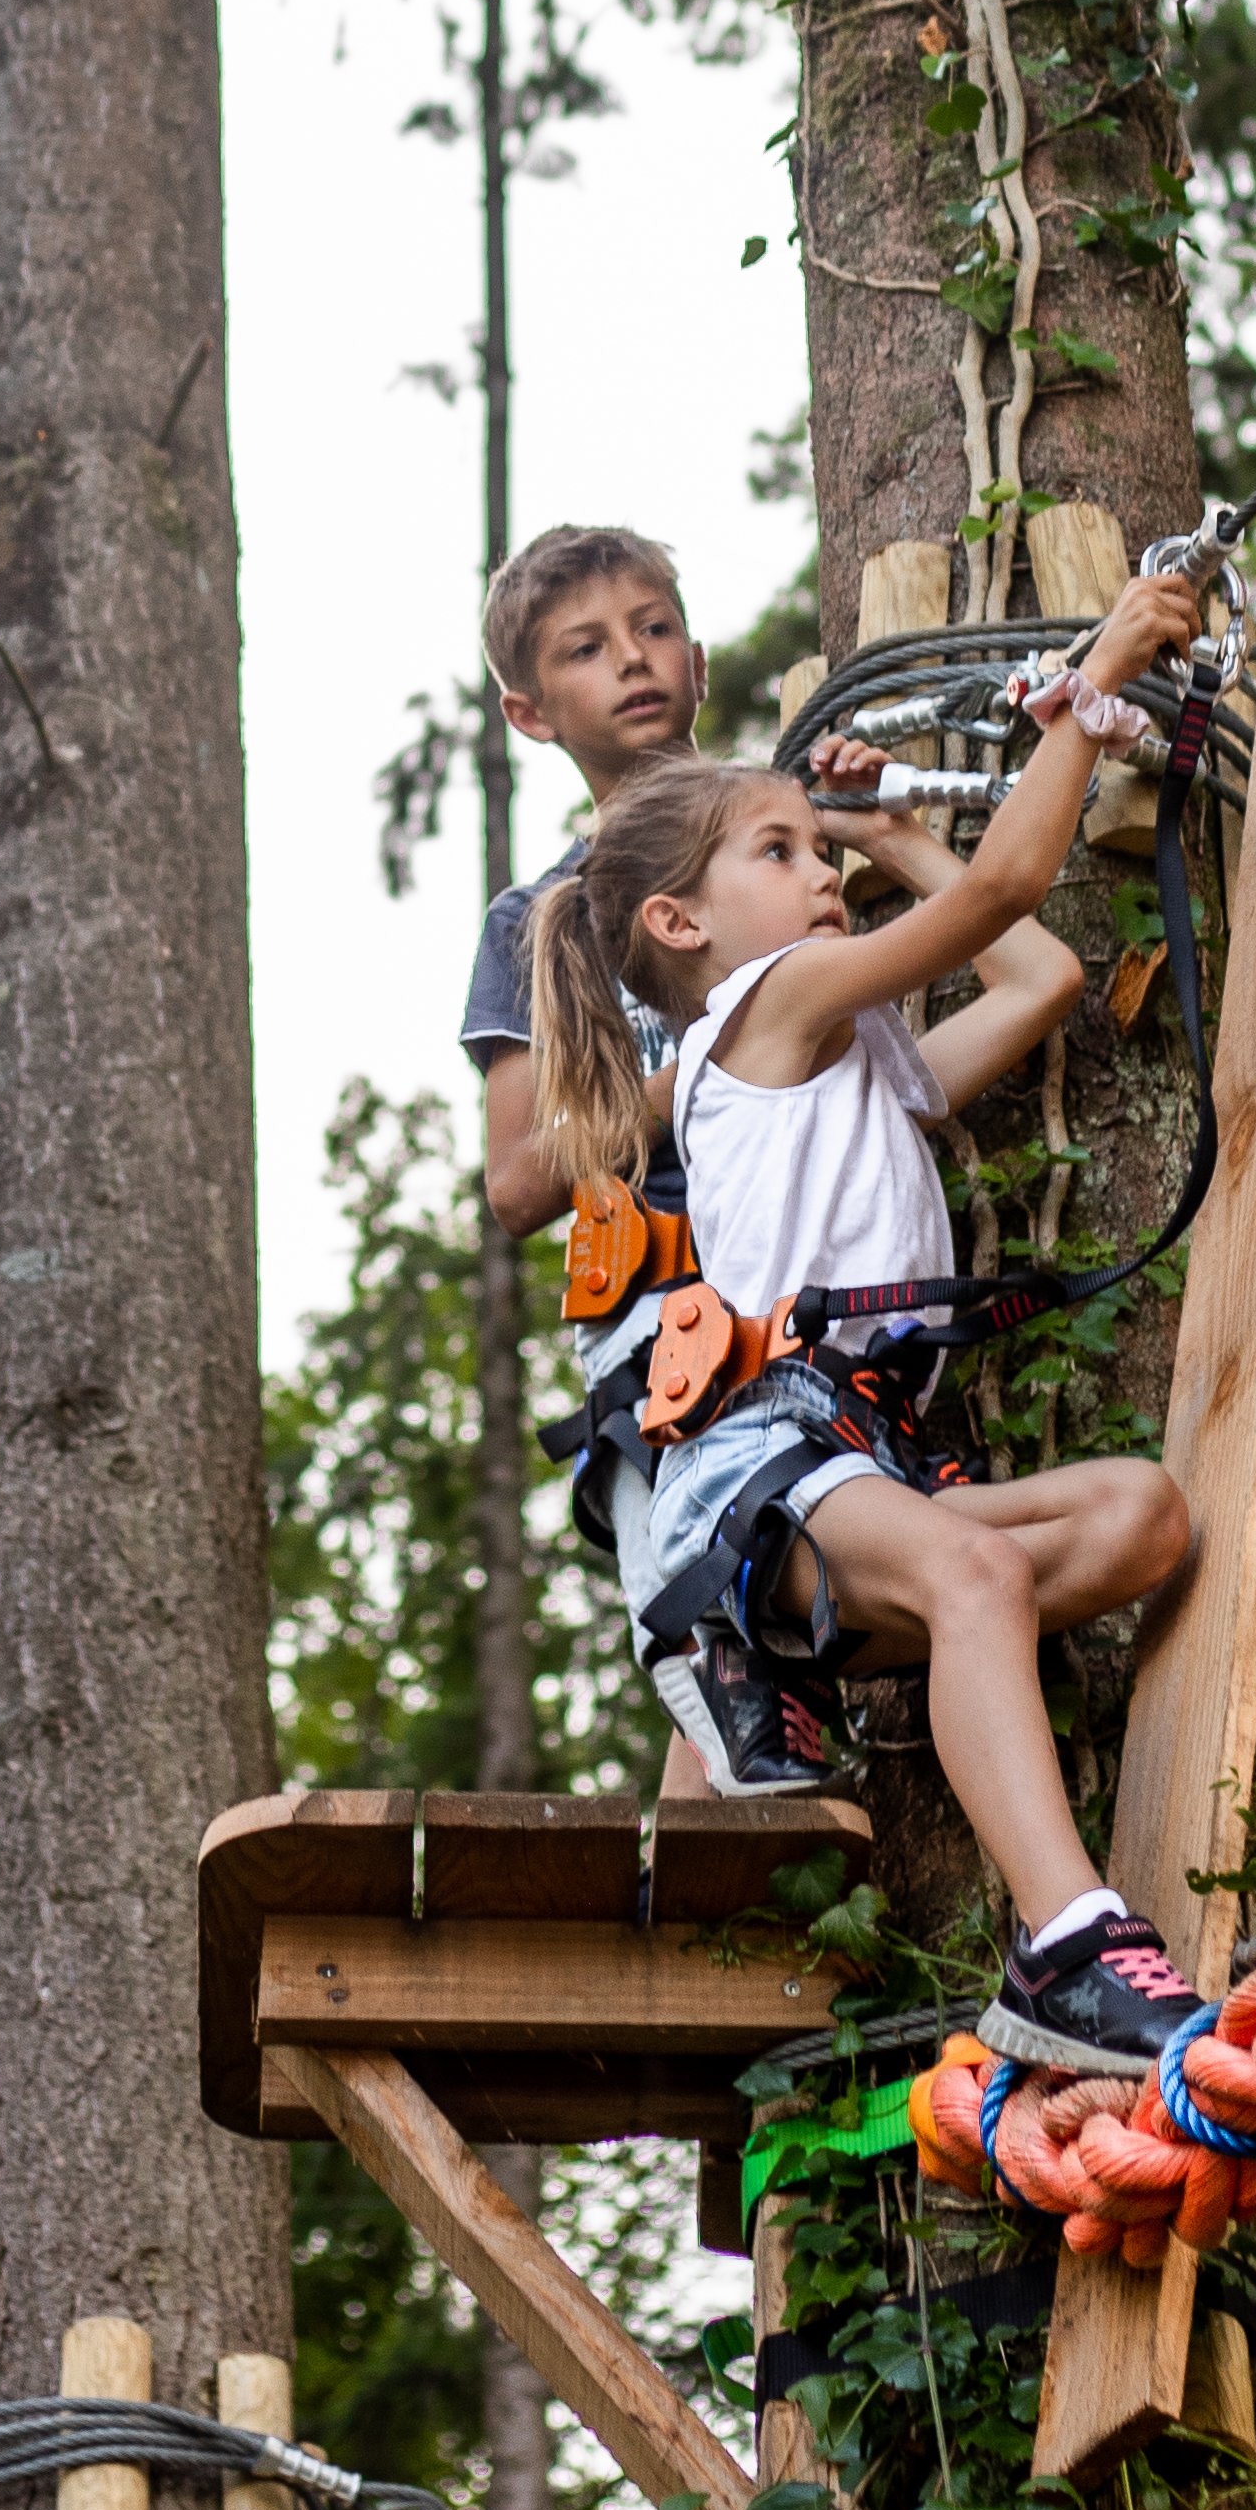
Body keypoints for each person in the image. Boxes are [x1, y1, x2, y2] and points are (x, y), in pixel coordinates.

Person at [525, 570, 1214, 2080]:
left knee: (1140, 1515)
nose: (817, 869)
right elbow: (998, 902)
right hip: (771, 1458)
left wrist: (886, 832)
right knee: (974, 1563)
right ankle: (1068, 1940)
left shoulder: (846, 1052)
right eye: (780, 848)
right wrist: (1089, 682)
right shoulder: (760, 1008)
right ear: (680, 921)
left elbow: (1034, 975)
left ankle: (832, 1651)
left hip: (862, 1462)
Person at [459, 523, 828, 1797]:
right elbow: (515, 1182)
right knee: (721, 1651)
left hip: (820, 1277)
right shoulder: (540, 921)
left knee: (801, 1636)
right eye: (586, 647)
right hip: (666, 1327)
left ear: (701, 658)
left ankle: (701, 1937)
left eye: (654, 627)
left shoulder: (788, 846)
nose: (634, 659)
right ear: (528, 710)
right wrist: (695, 1075)